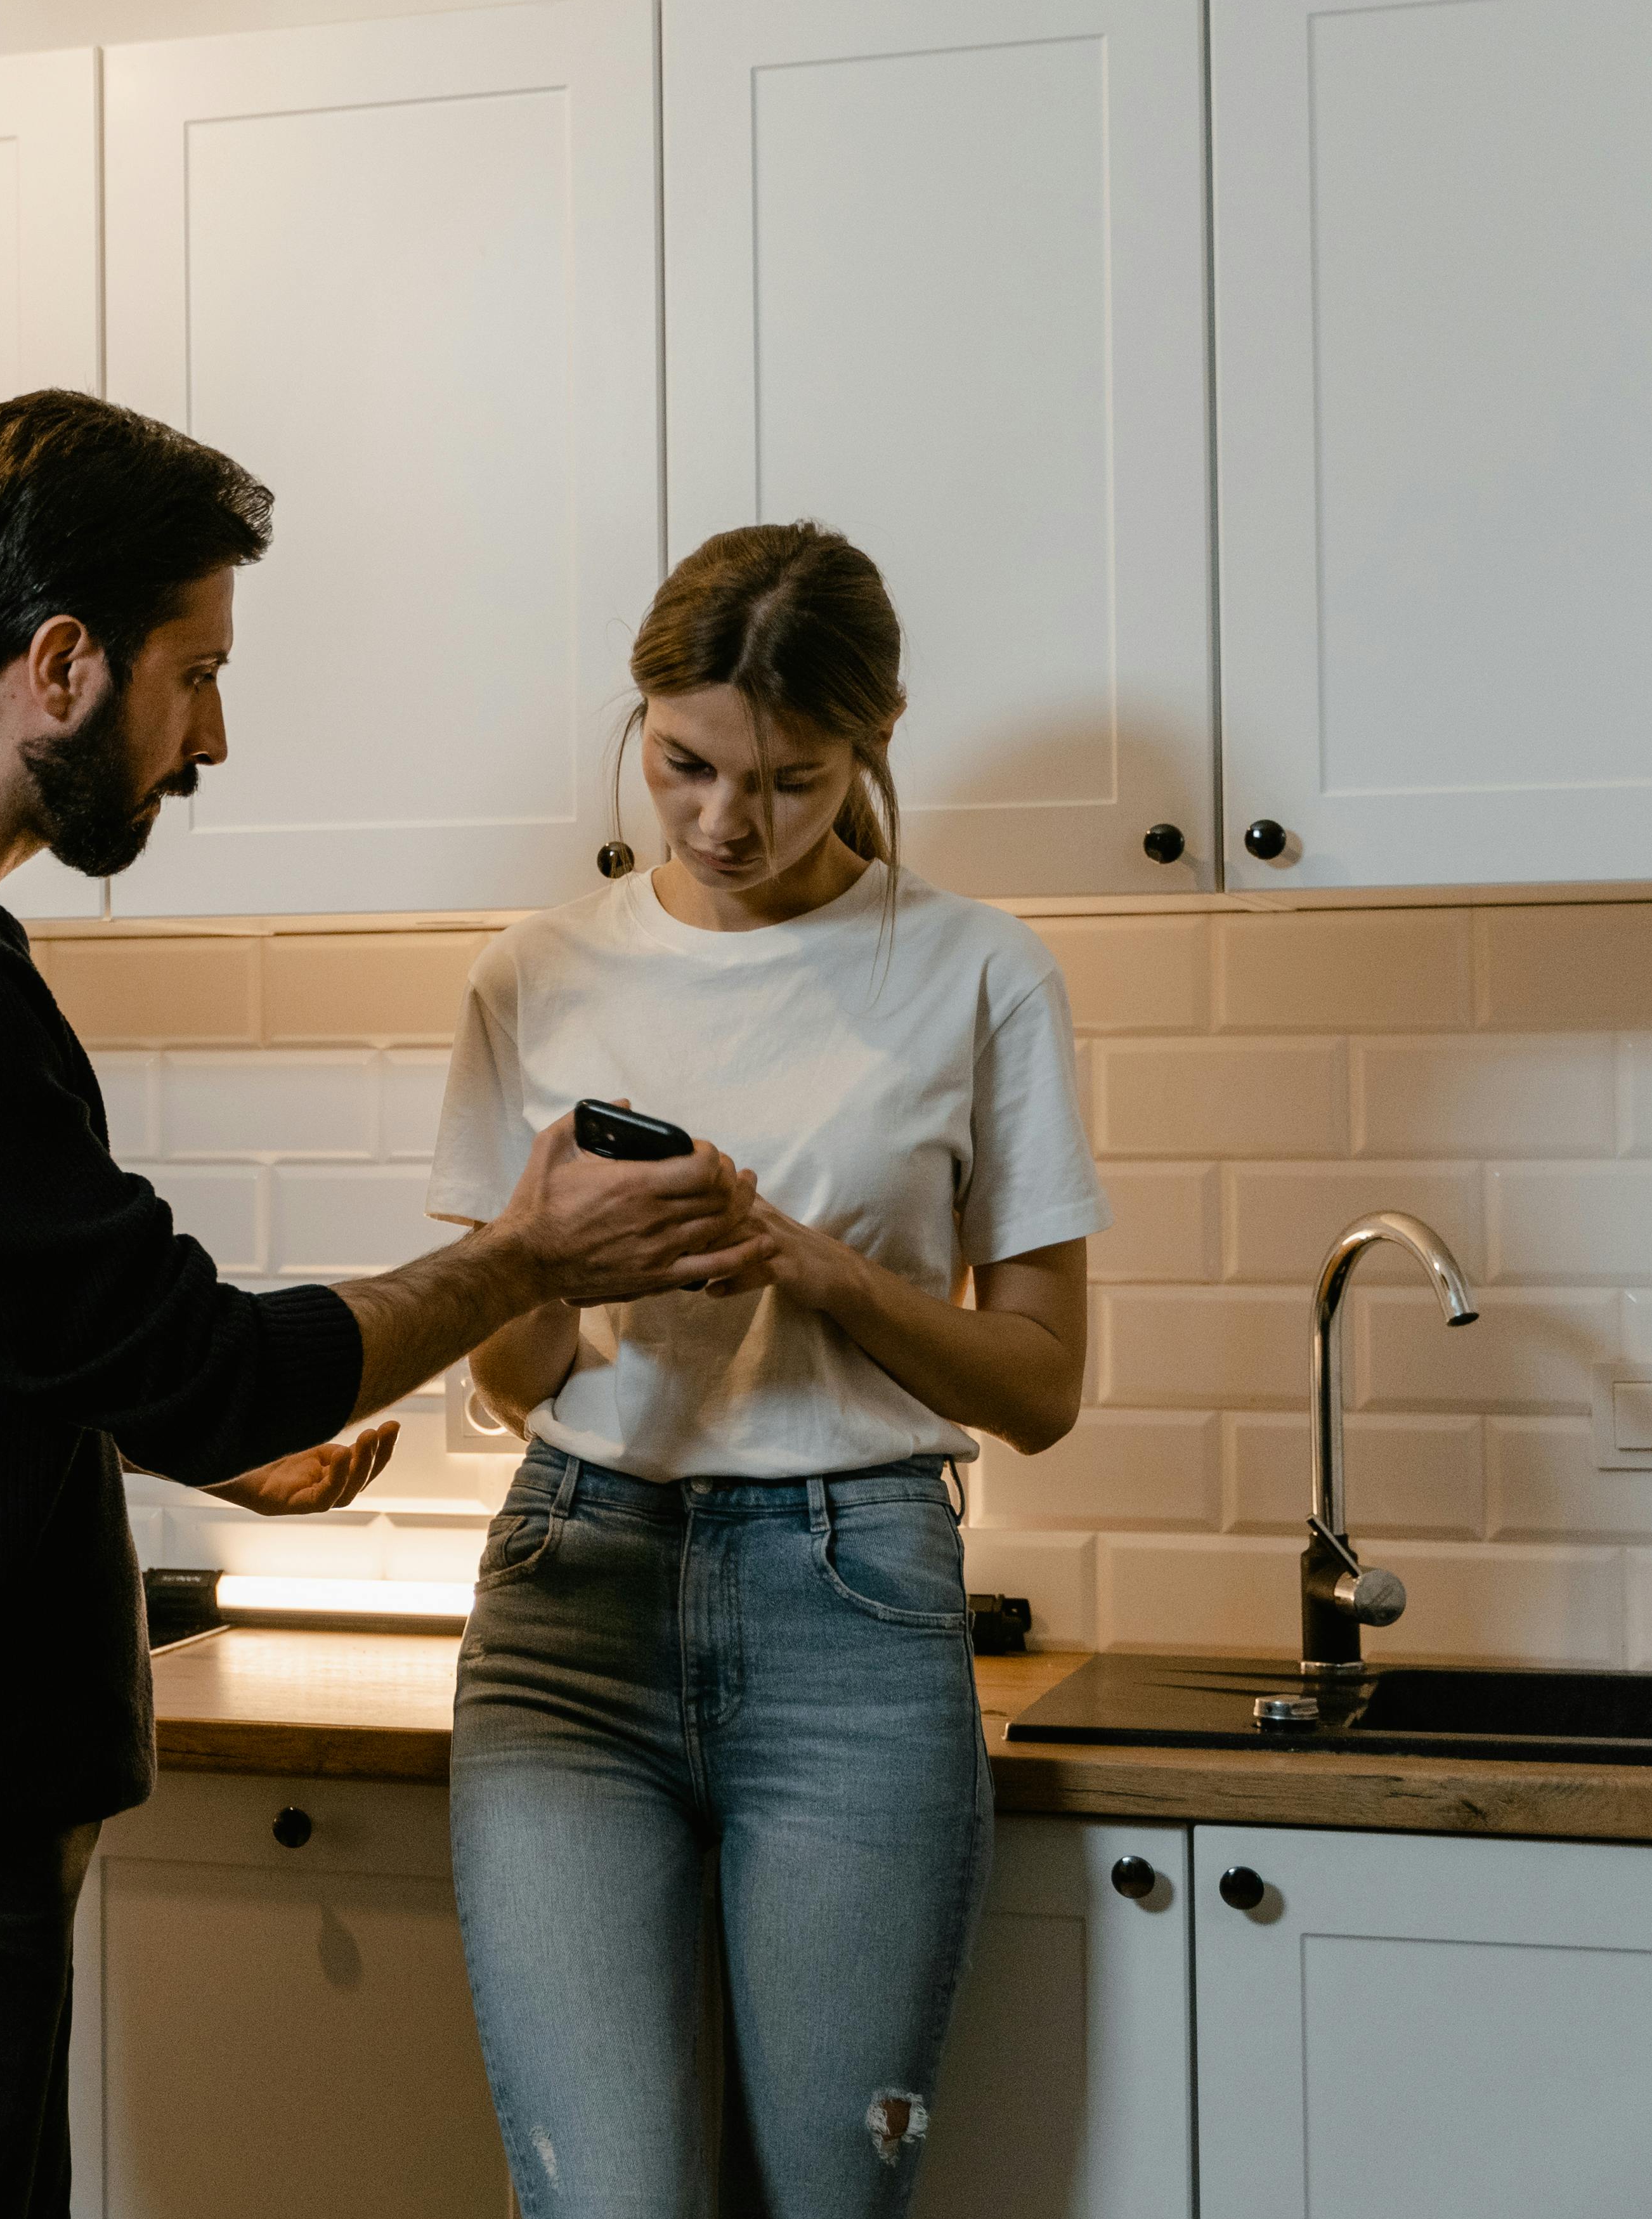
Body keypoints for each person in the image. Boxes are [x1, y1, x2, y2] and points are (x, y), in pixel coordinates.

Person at [0, 390, 769, 2219]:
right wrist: (526, 1253)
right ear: (62, 662)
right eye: (193, 672)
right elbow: (197, 1365)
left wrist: (173, 1433)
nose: (210, 737)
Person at [434, 523, 1109, 2219]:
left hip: (855, 1608)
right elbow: (516, 1375)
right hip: (569, 1592)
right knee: (611, 2203)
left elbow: (1036, 1382)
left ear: (869, 749)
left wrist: (803, 1260)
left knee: (830, 2197)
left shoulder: (976, 970)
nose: (725, 821)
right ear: (643, 723)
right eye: (684, 764)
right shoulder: (530, 974)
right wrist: (533, 1260)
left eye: (789, 781)